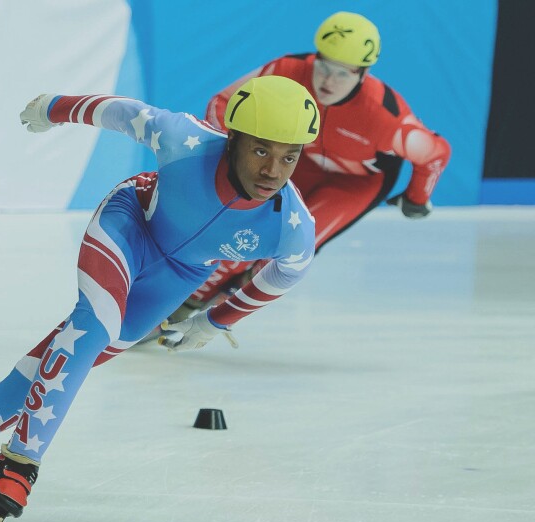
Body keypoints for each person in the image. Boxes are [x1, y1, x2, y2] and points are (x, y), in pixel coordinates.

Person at [0, 75, 319, 522]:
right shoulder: (187, 140)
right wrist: (53, 107)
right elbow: (121, 112)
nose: (273, 171)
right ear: (234, 139)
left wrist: (215, 320)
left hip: (175, 278)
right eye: (261, 150)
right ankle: (19, 465)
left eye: (289, 156)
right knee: (91, 329)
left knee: (49, 370)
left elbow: (287, 274)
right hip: (130, 222)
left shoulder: (292, 224)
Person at [170, 11, 452, 321]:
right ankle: (186, 300)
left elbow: (436, 154)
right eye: (324, 66)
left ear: (363, 73)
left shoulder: (387, 119)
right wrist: (228, 152)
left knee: (290, 245)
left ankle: (226, 306)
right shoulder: (287, 70)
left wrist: (417, 198)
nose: (328, 81)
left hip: (355, 184)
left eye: (343, 73)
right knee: (243, 225)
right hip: (298, 163)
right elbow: (222, 102)